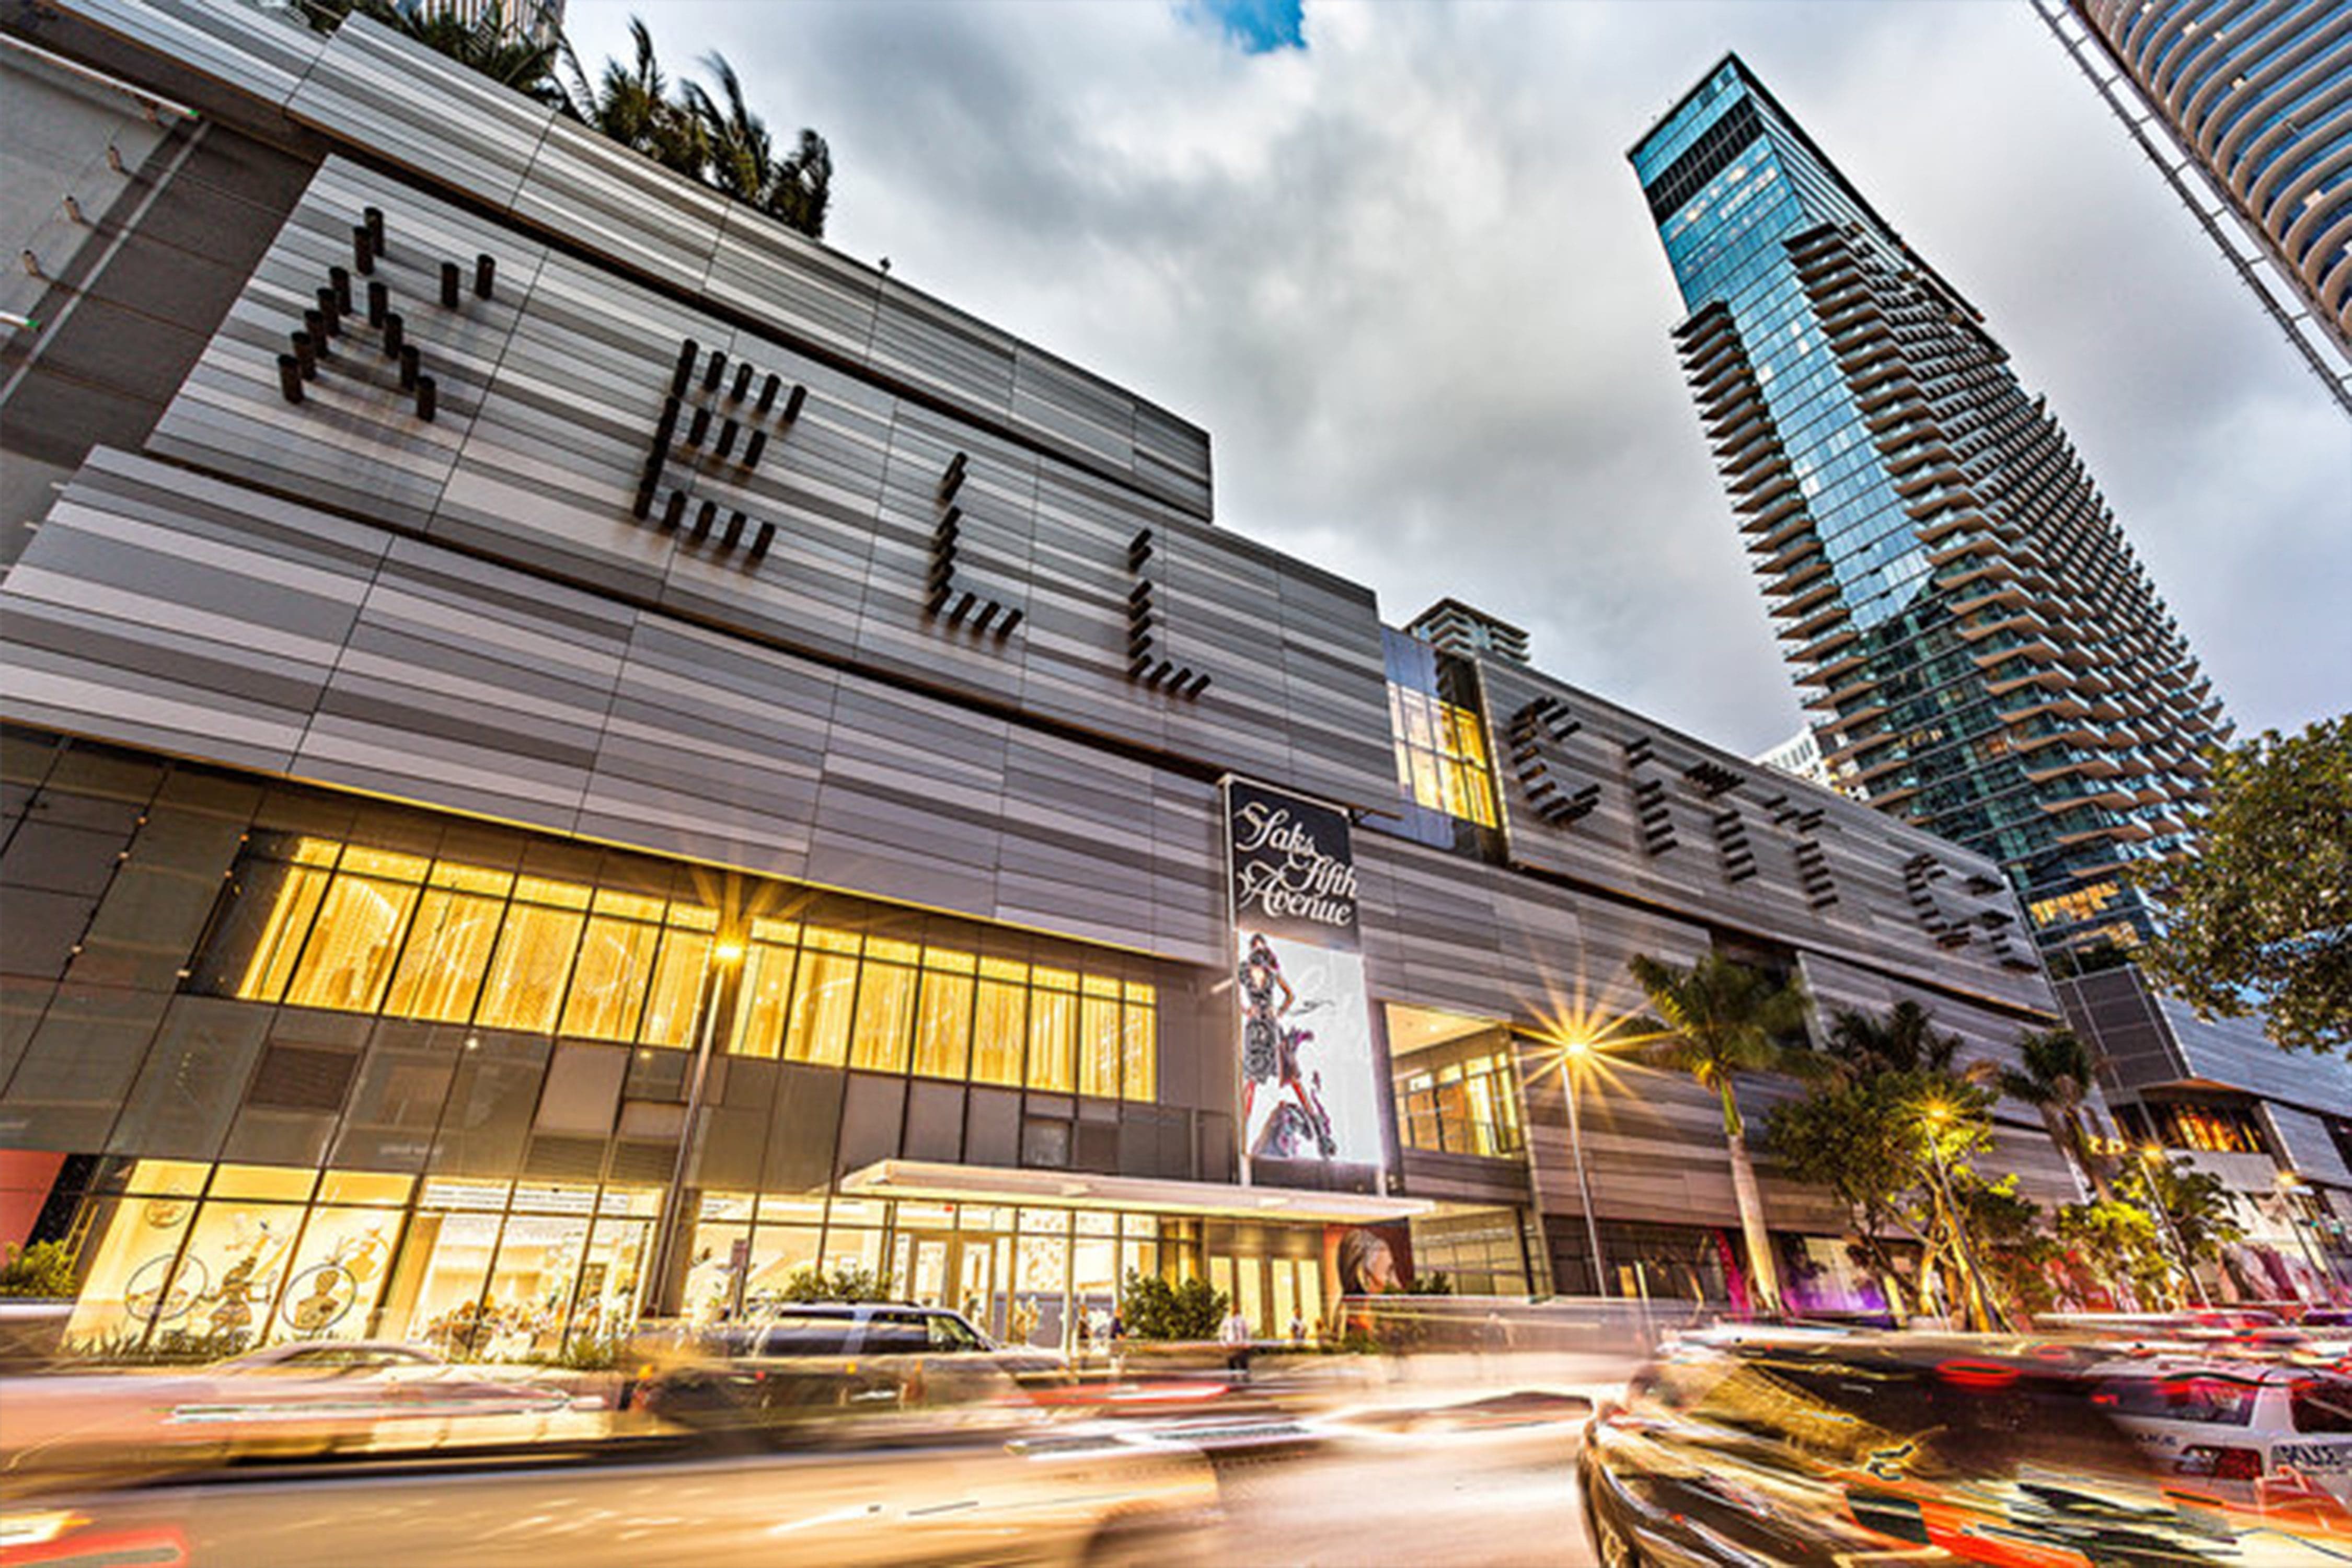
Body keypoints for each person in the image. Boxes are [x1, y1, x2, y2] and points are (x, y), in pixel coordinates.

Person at [1220, 1304, 1253, 1377]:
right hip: (1231, 1344)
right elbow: (1222, 1333)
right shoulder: (1226, 1321)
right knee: (1231, 1361)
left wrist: (1248, 1342)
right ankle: (1233, 1376)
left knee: (1243, 1361)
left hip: (1240, 1343)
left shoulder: (1242, 1320)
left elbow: (1246, 1331)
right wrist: (1224, 1343)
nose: (1232, 1311)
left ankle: (1245, 1376)